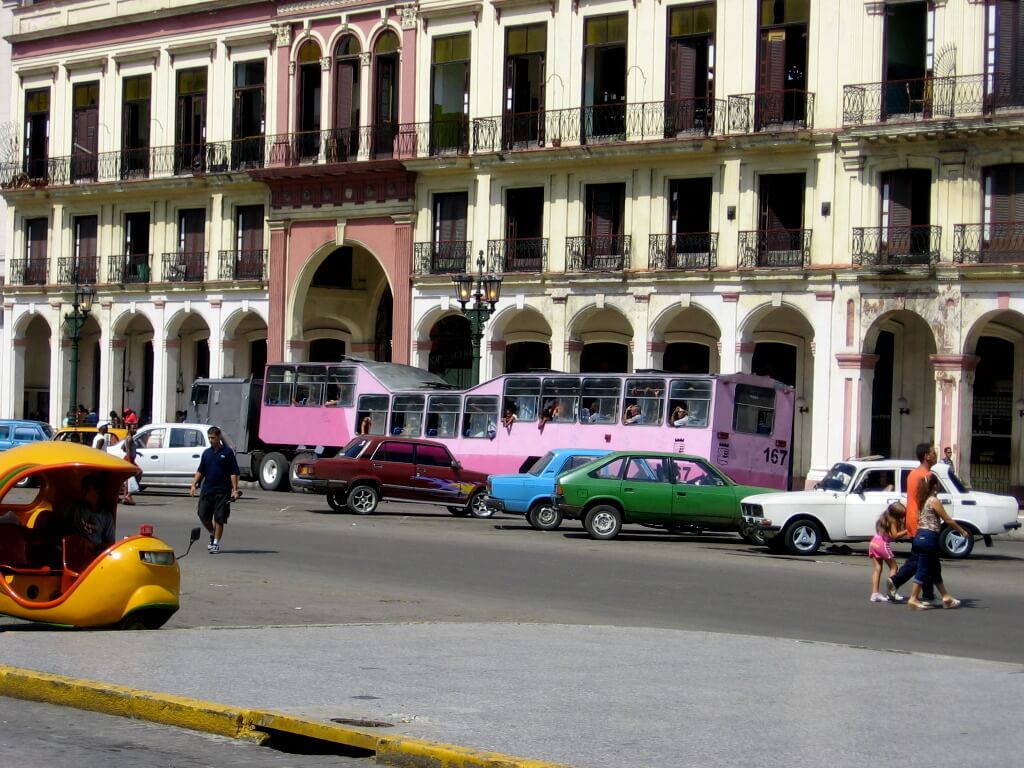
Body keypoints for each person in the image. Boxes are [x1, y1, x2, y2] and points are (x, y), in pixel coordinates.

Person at [908, 473, 969, 610]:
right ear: (934, 485)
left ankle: (946, 597)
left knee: (935, 569)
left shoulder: (922, 500)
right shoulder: (933, 501)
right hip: (929, 537)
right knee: (923, 569)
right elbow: (947, 519)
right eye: (938, 484)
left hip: (921, 536)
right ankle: (913, 598)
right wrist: (962, 531)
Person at [888, 443, 937, 603]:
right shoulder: (925, 476)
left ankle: (929, 594)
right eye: (932, 452)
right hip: (921, 522)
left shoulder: (914, 474)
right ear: (926, 456)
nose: (935, 454)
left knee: (926, 559)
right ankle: (896, 581)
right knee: (921, 559)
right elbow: (924, 501)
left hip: (913, 519)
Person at [189, 426, 240, 555]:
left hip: (222, 491)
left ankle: (216, 543)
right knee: (202, 515)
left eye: (213, 438)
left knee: (219, 518)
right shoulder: (206, 453)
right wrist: (194, 484)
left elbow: (233, 472)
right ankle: (212, 533)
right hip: (207, 490)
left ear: (218, 437)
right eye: (209, 438)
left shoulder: (227, 453)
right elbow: (201, 470)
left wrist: (235, 490)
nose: (211, 440)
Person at [60, 475, 115, 553]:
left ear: (97, 492)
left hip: (94, 554)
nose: (83, 492)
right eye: (83, 489)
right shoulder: (73, 508)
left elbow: (110, 543)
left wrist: (95, 547)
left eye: (87, 490)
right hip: (73, 550)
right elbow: (58, 525)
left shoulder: (106, 517)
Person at [868, 502, 907, 603]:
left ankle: (874, 594)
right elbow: (895, 535)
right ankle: (891, 592)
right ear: (896, 515)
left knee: (877, 569)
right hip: (882, 545)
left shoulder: (883, 517)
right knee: (894, 567)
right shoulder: (893, 520)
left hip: (874, 542)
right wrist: (908, 530)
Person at [120, 423, 139, 505]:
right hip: (129, 460)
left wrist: (136, 452)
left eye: (136, 428)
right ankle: (128, 495)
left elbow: (123, 447)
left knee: (128, 479)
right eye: (133, 428)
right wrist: (129, 462)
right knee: (139, 473)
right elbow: (127, 449)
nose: (135, 430)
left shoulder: (129, 438)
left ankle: (126, 497)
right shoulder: (129, 439)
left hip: (130, 459)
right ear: (129, 429)